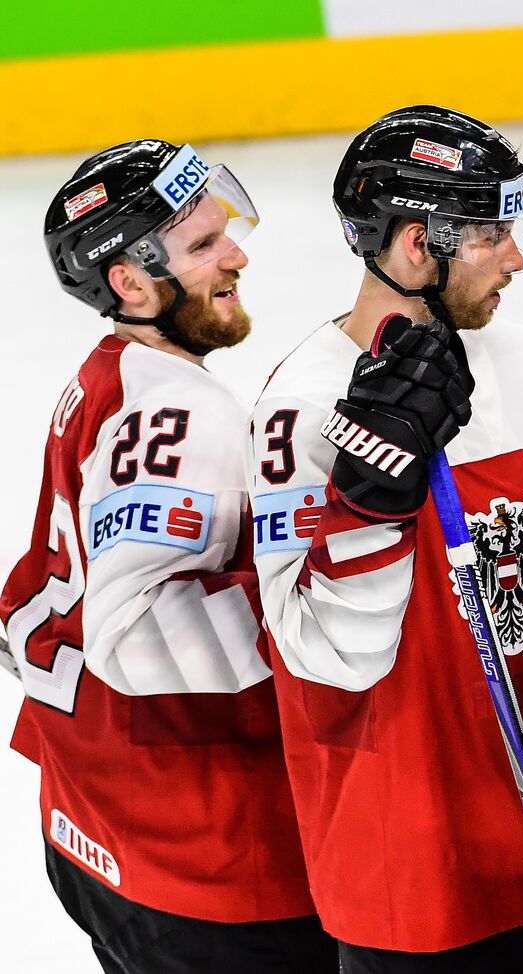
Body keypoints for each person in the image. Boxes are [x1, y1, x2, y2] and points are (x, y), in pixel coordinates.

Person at [246, 105, 523, 973]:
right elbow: (319, 656)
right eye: (493, 234)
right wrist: (369, 498)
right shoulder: (302, 406)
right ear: (418, 243)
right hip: (414, 877)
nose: (517, 257)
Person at [0, 140, 334, 972]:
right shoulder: (177, 411)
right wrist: (337, 584)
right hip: (201, 859)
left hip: (94, 818)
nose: (237, 256)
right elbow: (144, 636)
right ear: (131, 281)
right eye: (204, 246)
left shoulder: (108, 377)